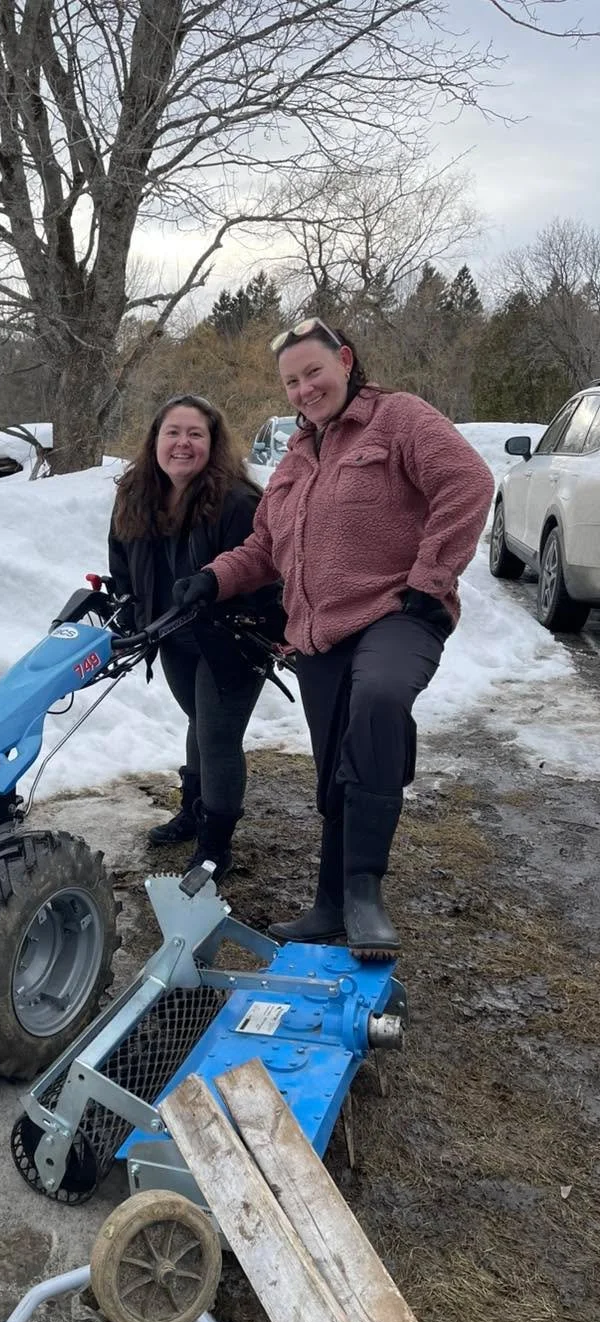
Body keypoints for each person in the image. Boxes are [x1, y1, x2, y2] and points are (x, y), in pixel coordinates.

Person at [173, 319, 494, 959]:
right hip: (318, 637)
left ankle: (364, 892)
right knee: (334, 773)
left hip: (398, 613)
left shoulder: (398, 419)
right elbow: (266, 546)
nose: (303, 389)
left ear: (345, 361)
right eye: (291, 381)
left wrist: (431, 580)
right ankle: (329, 903)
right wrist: (214, 578)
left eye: (312, 372)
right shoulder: (296, 456)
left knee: (378, 700)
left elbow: (469, 482)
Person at [108, 394, 283, 876]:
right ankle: (193, 810)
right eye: (173, 432)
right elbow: (122, 560)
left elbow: (263, 572)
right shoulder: (135, 493)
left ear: (213, 443)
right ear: (155, 440)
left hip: (234, 638)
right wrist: (127, 606)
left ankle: (215, 846)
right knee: (198, 721)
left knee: (217, 734)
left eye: (195, 434)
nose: (182, 443)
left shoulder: (238, 501)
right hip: (173, 636)